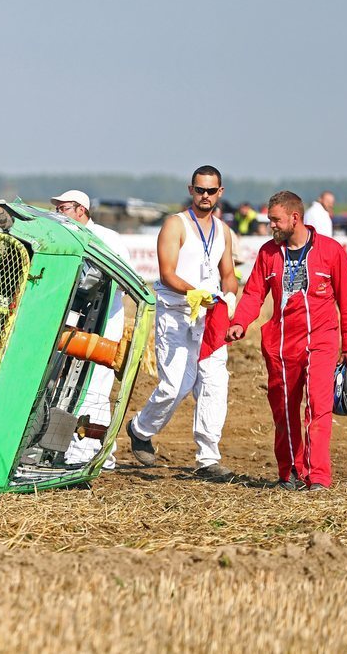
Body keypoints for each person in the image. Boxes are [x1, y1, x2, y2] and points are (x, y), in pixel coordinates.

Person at [226, 191, 347, 491]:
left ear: (294, 218)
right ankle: (290, 471)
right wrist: (239, 322)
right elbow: (253, 294)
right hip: (281, 343)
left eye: (275, 220)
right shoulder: (267, 254)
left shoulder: (330, 251)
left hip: (321, 340)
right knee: (284, 409)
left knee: (318, 405)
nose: (271, 225)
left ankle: (318, 477)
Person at [125, 165, 238, 480]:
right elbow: (167, 273)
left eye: (211, 191)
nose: (205, 196)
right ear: (191, 190)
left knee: (215, 384)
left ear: (220, 193)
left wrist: (228, 298)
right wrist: (197, 293)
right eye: (199, 189)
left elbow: (229, 274)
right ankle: (141, 428)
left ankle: (208, 459)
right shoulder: (175, 225)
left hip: (209, 315)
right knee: (177, 384)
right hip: (176, 312)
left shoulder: (223, 231)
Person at [50, 190, 130, 470]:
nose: (59, 213)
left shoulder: (109, 239)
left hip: (105, 319)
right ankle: (80, 448)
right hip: (75, 320)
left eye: (63, 208)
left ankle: (92, 450)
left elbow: (124, 281)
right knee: (69, 384)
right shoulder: (64, 238)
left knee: (95, 384)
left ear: (81, 210)